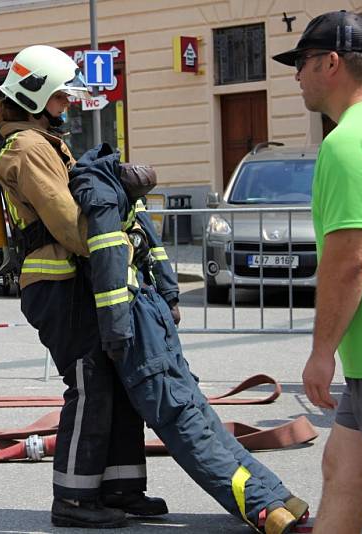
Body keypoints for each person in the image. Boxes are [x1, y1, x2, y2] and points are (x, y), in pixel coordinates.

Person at [69, 143, 308, 534]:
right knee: (199, 416)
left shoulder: (100, 198)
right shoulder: (123, 196)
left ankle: (264, 509)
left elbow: (110, 272)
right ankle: (279, 496)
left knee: (183, 425)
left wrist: (115, 337)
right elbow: (157, 254)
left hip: (135, 324)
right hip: (154, 316)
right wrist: (170, 297)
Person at [0, 45, 166, 529]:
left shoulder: (45, 141)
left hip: (77, 277)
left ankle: (121, 488)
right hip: (56, 283)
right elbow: (70, 224)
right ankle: (72, 499)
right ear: (37, 94)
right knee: (89, 384)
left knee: (116, 380)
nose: (67, 105)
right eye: (61, 97)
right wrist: (122, 242)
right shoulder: (28, 148)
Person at [272, 10, 362, 533]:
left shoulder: (347, 143)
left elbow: (351, 259)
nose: (297, 75)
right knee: (343, 466)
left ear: (332, 63)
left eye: (303, 62)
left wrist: (320, 352)